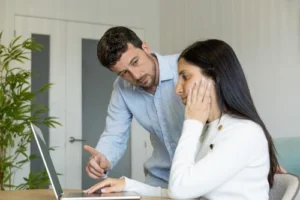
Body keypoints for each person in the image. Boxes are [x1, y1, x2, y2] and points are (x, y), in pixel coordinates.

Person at [84, 39, 279, 200]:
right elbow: (181, 191)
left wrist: (193, 123)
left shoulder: (243, 132)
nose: (177, 89)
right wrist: (127, 184)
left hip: (181, 184)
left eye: (185, 77)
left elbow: (181, 191)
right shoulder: (212, 130)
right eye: (123, 72)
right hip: (173, 182)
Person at [84, 26, 185, 188]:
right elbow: (114, 134)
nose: (136, 75)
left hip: (200, 174)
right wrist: (103, 160)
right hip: (161, 180)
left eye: (135, 62)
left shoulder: (185, 68)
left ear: (145, 48)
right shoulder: (122, 87)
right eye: (124, 72)